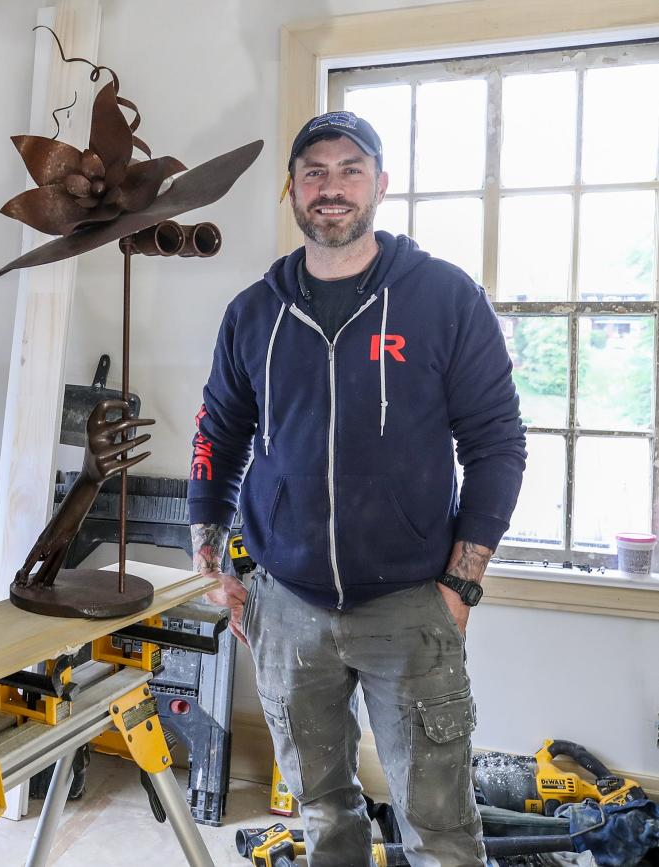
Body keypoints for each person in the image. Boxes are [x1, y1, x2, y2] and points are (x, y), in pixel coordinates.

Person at [188, 111, 526, 866]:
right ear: (292, 190)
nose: (330, 187)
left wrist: (460, 584)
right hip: (286, 608)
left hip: (411, 605)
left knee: (437, 820)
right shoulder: (253, 311)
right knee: (321, 811)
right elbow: (216, 431)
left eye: (349, 170)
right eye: (314, 172)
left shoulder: (442, 297)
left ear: (379, 184)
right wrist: (210, 557)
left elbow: (496, 442)